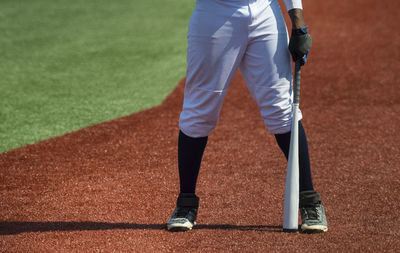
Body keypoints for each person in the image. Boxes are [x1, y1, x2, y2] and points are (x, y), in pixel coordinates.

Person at [167, 0, 328, 233]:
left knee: (281, 111)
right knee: (199, 112)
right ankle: (185, 204)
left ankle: (309, 201)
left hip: (265, 11)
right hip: (216, 13)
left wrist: (298, 22)